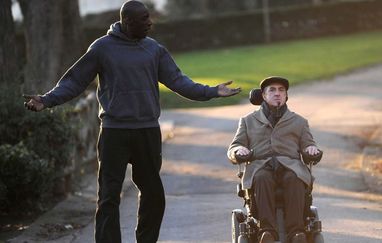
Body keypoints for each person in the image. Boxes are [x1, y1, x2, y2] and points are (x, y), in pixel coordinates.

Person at [23, 1, 241, 242]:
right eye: (144, 18)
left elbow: (179, 82)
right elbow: (74, 81)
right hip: (114, 133)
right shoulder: (102, 48)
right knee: (108, 197)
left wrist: (211, 91)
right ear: (127, 22)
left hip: (147, 131)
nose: (150, 22)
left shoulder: (154, 49)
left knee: (153, 195)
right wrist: (47, 100)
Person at [227, 77, 320, 243]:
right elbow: (234, 147)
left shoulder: (299, 121)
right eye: (272, 90)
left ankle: (296, 233)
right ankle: (267, 231)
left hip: (290, 166)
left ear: (286, 96)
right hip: (260, 166)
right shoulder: (248, 121)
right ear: (263, 95)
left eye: (281, 90)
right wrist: (238, 150)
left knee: (294, 178)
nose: (277, 93)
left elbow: (309, 144)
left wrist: (310, 150)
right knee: (262, 178)